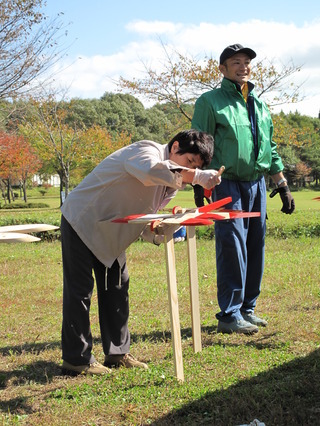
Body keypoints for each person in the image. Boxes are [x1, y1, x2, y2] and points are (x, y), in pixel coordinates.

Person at [60, 129, 222, 375]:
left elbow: (147, 216)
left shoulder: (171, 185)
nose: (189, 170)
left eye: (195, 166)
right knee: (80, 291)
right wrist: (197, 175)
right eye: (189, 161)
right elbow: (148, 172)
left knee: (117, 289)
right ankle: (77, 359)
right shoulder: (146, 150)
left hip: (110, 231)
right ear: (175, 146)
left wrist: (161, 229)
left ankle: (117, 353)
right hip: (82, 220)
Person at [191, 44, 295, 335]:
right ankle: (229, 314)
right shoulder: (210, 101)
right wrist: (199, 179)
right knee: (232, 245)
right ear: (222, 69)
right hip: (226, 183)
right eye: (235, 62)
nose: (243, 66)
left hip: (257, 184)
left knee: (255, 245)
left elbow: (270, 149)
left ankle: (247, 309)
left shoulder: (259, 105)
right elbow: (199, 143)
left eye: (247, 62)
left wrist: (282, 184)